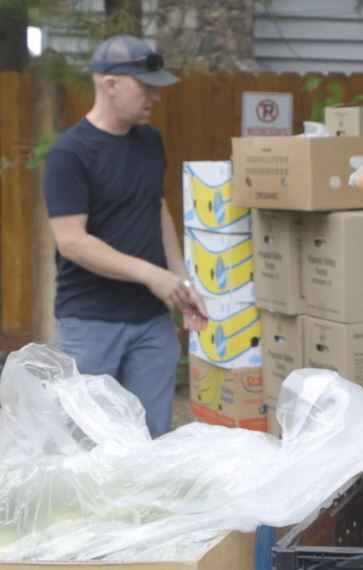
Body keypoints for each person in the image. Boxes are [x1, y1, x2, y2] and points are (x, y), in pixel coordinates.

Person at [43, 35, 207, 438]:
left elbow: (156, 207)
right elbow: (72, 242)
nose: (154, 96)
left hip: (151, 323)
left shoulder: (150, 141)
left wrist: (181, 278)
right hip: (90, 324)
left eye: (157, 86)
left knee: (151, 440)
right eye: (145, 85)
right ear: (109, 82)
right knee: (86, 443)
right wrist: (151, 274)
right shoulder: (71, 154)